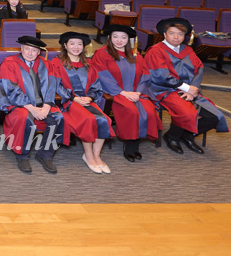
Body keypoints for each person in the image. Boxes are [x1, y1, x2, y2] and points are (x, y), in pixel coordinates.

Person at [146, 18, 228, 154]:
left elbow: (199, 69)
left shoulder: (187, 50)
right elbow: (161, 76)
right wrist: (187, 88)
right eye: (172, 33)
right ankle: (172, 137)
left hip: (190, 90)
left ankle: (187, 135)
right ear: (164, 34)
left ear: (185, 36)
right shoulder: (156, 51)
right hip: (164, 90)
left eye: (180, 34)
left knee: (215, 117)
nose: (176, 37)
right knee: (187, 113)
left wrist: (192, 89)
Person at [90, 24, 161, 162]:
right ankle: (130, 145)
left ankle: (136, 143)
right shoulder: (102, 54)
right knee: (131, 111)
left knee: (149, 110)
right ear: (110, 38)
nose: (119, 40)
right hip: (114, 93)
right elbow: (102, 76)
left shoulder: (136, 55)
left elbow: (145, 75)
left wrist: (138, 92)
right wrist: (123, 92)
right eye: (115, 36)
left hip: (137, 92)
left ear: (128, 39)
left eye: (123, 37)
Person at [0, 36, 68, 174]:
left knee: (58, 117)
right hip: (19, 104)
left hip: (43, 103)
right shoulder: (9, 63)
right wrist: (31, 108)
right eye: (27, 49)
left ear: (39, 52)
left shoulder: (46, 64)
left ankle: (45, 154)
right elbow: (11, 89)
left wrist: (47, 106)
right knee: (24, 118)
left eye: (34, 50)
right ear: (21, 49)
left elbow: (52, 86)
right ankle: (22, 155)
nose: (30, 53)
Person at [49, 32, 114, 174]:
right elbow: (56, 85)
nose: (76, 47)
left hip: (86, 101)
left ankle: (97, 156)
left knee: (104, 119)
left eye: (79, 44)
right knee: (89, 119)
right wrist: (73, 98)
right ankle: (88, 156)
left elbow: (95, 85)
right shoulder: (57, 63)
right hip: (67, 103)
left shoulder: (89, 64)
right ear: (65, 45)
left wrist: (90, 97)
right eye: (72, 43)